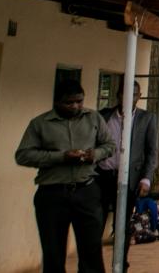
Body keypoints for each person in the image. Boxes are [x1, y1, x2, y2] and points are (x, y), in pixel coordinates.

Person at [15, 79, 114, 273]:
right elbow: (23, 155)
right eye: (69, 102)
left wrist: (95, 155)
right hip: (52, 193)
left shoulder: (93, 118)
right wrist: (61, 157)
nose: (75, 106)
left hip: (86, 190)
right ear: (57, 102)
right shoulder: (40, 124)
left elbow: (109, 145)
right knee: (53, 251)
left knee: (91, 250)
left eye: (79, 101)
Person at [95, 81, 158, 261]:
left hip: (129, 179)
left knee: (122, 224)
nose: (130, 98)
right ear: (118, 94)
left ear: (139, 96)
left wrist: (146, 179)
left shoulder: (147, 118)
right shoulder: (103, 116)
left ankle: (121, 263)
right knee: (95, 223)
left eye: (135, 94)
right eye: (126, 93)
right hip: (102, 176)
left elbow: (152, 152)